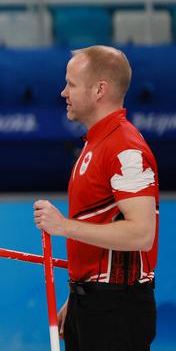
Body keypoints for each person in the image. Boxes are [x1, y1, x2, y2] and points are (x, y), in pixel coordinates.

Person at [34, 45, 158, 351]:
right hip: (93, 304)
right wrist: (77, 296)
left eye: (71, 84)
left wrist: (63, 226)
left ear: (100, 89)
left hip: (116, 309)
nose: (64, 92)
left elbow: (141, 234)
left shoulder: (125, 147)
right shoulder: (96, 143)